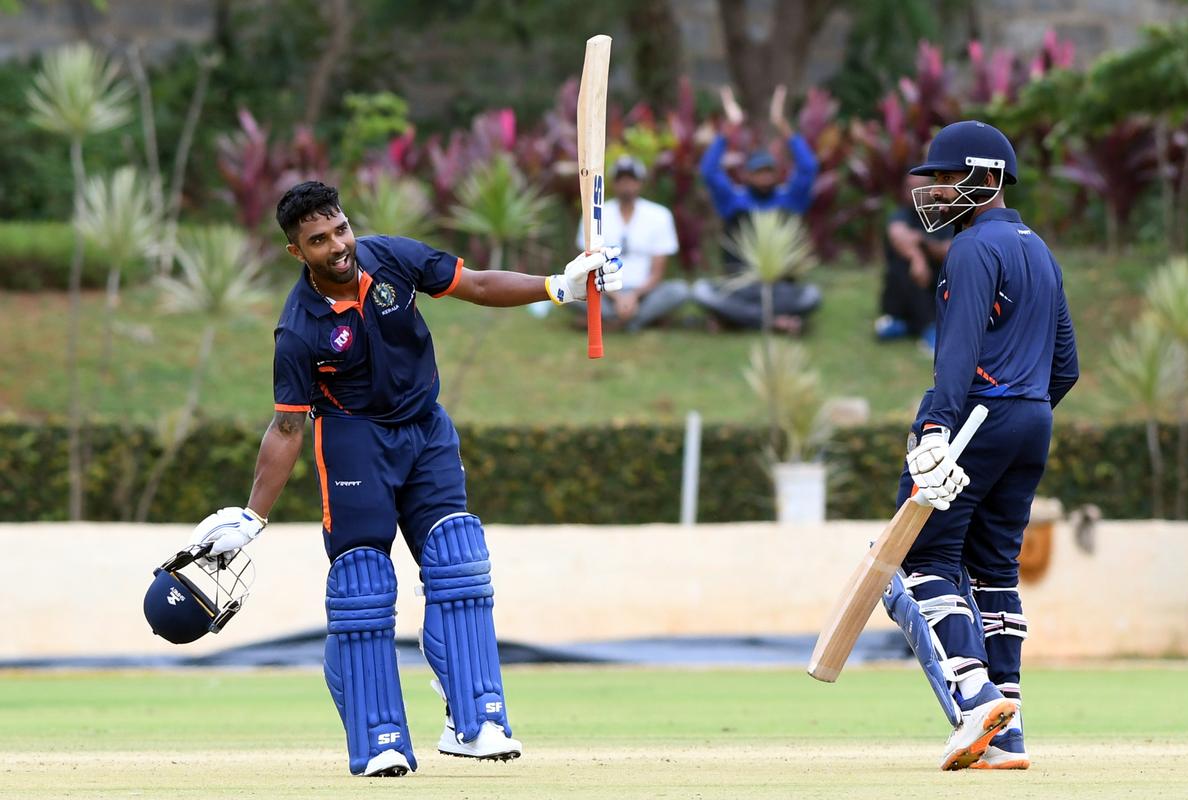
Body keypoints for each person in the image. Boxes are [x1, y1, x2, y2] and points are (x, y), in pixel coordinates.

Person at [183, 181, 622, 778]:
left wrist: (559, 286)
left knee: (459, 558)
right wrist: (253, 515)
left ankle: (476, 721)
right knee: (363, 584)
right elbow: (287, 429)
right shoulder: (299, 328)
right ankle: (379, 736)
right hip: (354, 441)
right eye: (319, 240)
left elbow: (476, 285)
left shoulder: (391, 257)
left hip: (425, 428)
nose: (338, 245)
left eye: (339, 229)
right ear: (298, 252)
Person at [888, 120, 1078, 771]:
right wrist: (1023, 414)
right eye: (934, 181)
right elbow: (1067, 365)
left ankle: (974, 695)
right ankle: (1007, 732)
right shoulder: (1040, 249)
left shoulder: (971, 251)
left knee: (925, 557)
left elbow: (959, 354)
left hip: (977, 418)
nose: (936, 192)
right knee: (995, 569)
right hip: (1031, 420)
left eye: (946, 178)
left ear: (987, 178)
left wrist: (937, 427)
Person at [693, 85, 821, 332]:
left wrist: (782, 124)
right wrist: (731, 126)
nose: (764, 178)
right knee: (701, 292)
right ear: (747, 176)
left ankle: (737, 320)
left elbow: (808, 167)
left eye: (768, 172)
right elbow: (708, 171)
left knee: (811, 296)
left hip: (779, 288)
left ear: (776, 174)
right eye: (758, 173)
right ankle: (776, 322)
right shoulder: (735, 202)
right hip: (741, 287)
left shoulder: (789, 201)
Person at [573, 154, 688, 331]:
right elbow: (589, 267)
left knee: (679, 290)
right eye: (621, 180)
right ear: (613, 183)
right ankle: (638, 320)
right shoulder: (594, 214)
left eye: (631, 180)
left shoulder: (659, 215)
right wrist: (618, 298)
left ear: (640, 183)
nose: (626, 186)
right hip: (605, 291)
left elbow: (657, 272)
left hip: (644, 293)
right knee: (570, 288)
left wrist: (633, 296)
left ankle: (615, 321)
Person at [876, 175, 953, 353]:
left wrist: (923, 242)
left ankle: (911, 326)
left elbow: (949, 250)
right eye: (908, 187)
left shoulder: (944, 216)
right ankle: (924, 326)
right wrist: (917, 257)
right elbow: (897, 235)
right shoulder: (902, 214)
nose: (911, 193)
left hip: (935, 289)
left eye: (916, 188)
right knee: (903, 265)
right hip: (903, 291)